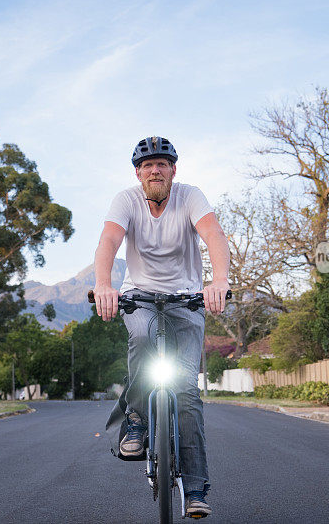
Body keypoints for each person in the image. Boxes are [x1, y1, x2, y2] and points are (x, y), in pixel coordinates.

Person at [92, 136, 230, 519]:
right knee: (140, 334)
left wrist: (218, 281)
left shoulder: (190, 196)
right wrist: (104, 285)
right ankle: (135, 421)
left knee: (186, 390)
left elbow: (214, 234)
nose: (156, 170)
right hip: (139, 296)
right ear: (138, 173)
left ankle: (197, 487)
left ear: (174, 170)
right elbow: (109, 240)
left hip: (187, 299)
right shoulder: (126, 200)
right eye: (148, 165)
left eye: (163, 164)